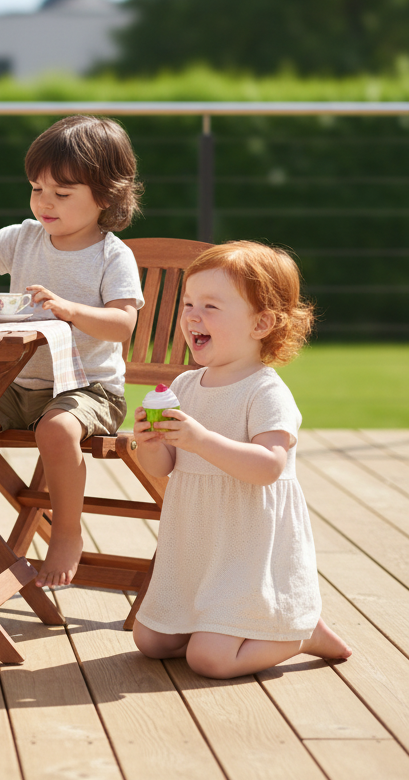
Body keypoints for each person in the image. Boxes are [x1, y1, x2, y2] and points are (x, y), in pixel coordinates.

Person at [0, 115, 144, 588]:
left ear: (106, 195)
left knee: (58, 429)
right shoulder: (25, 236)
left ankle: (66, 533)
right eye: (36, 189)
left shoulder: (111, 256)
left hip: (88, 389)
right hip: (19, 383)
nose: (45, 202)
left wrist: (69, 310)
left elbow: (123, 324)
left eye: (61, 194)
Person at [132, 240, 351, 678]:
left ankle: (299, 630)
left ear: (261, 323)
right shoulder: (187, 384)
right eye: (189, 303)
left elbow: (269, 466)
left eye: (211, 306)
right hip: (199, 544)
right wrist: (151, 444)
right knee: (151, 641)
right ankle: (230, 623)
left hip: (246, 548)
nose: (193, 315)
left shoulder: (265, 391)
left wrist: (201, 439)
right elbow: (163, 468)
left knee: (208, 660)